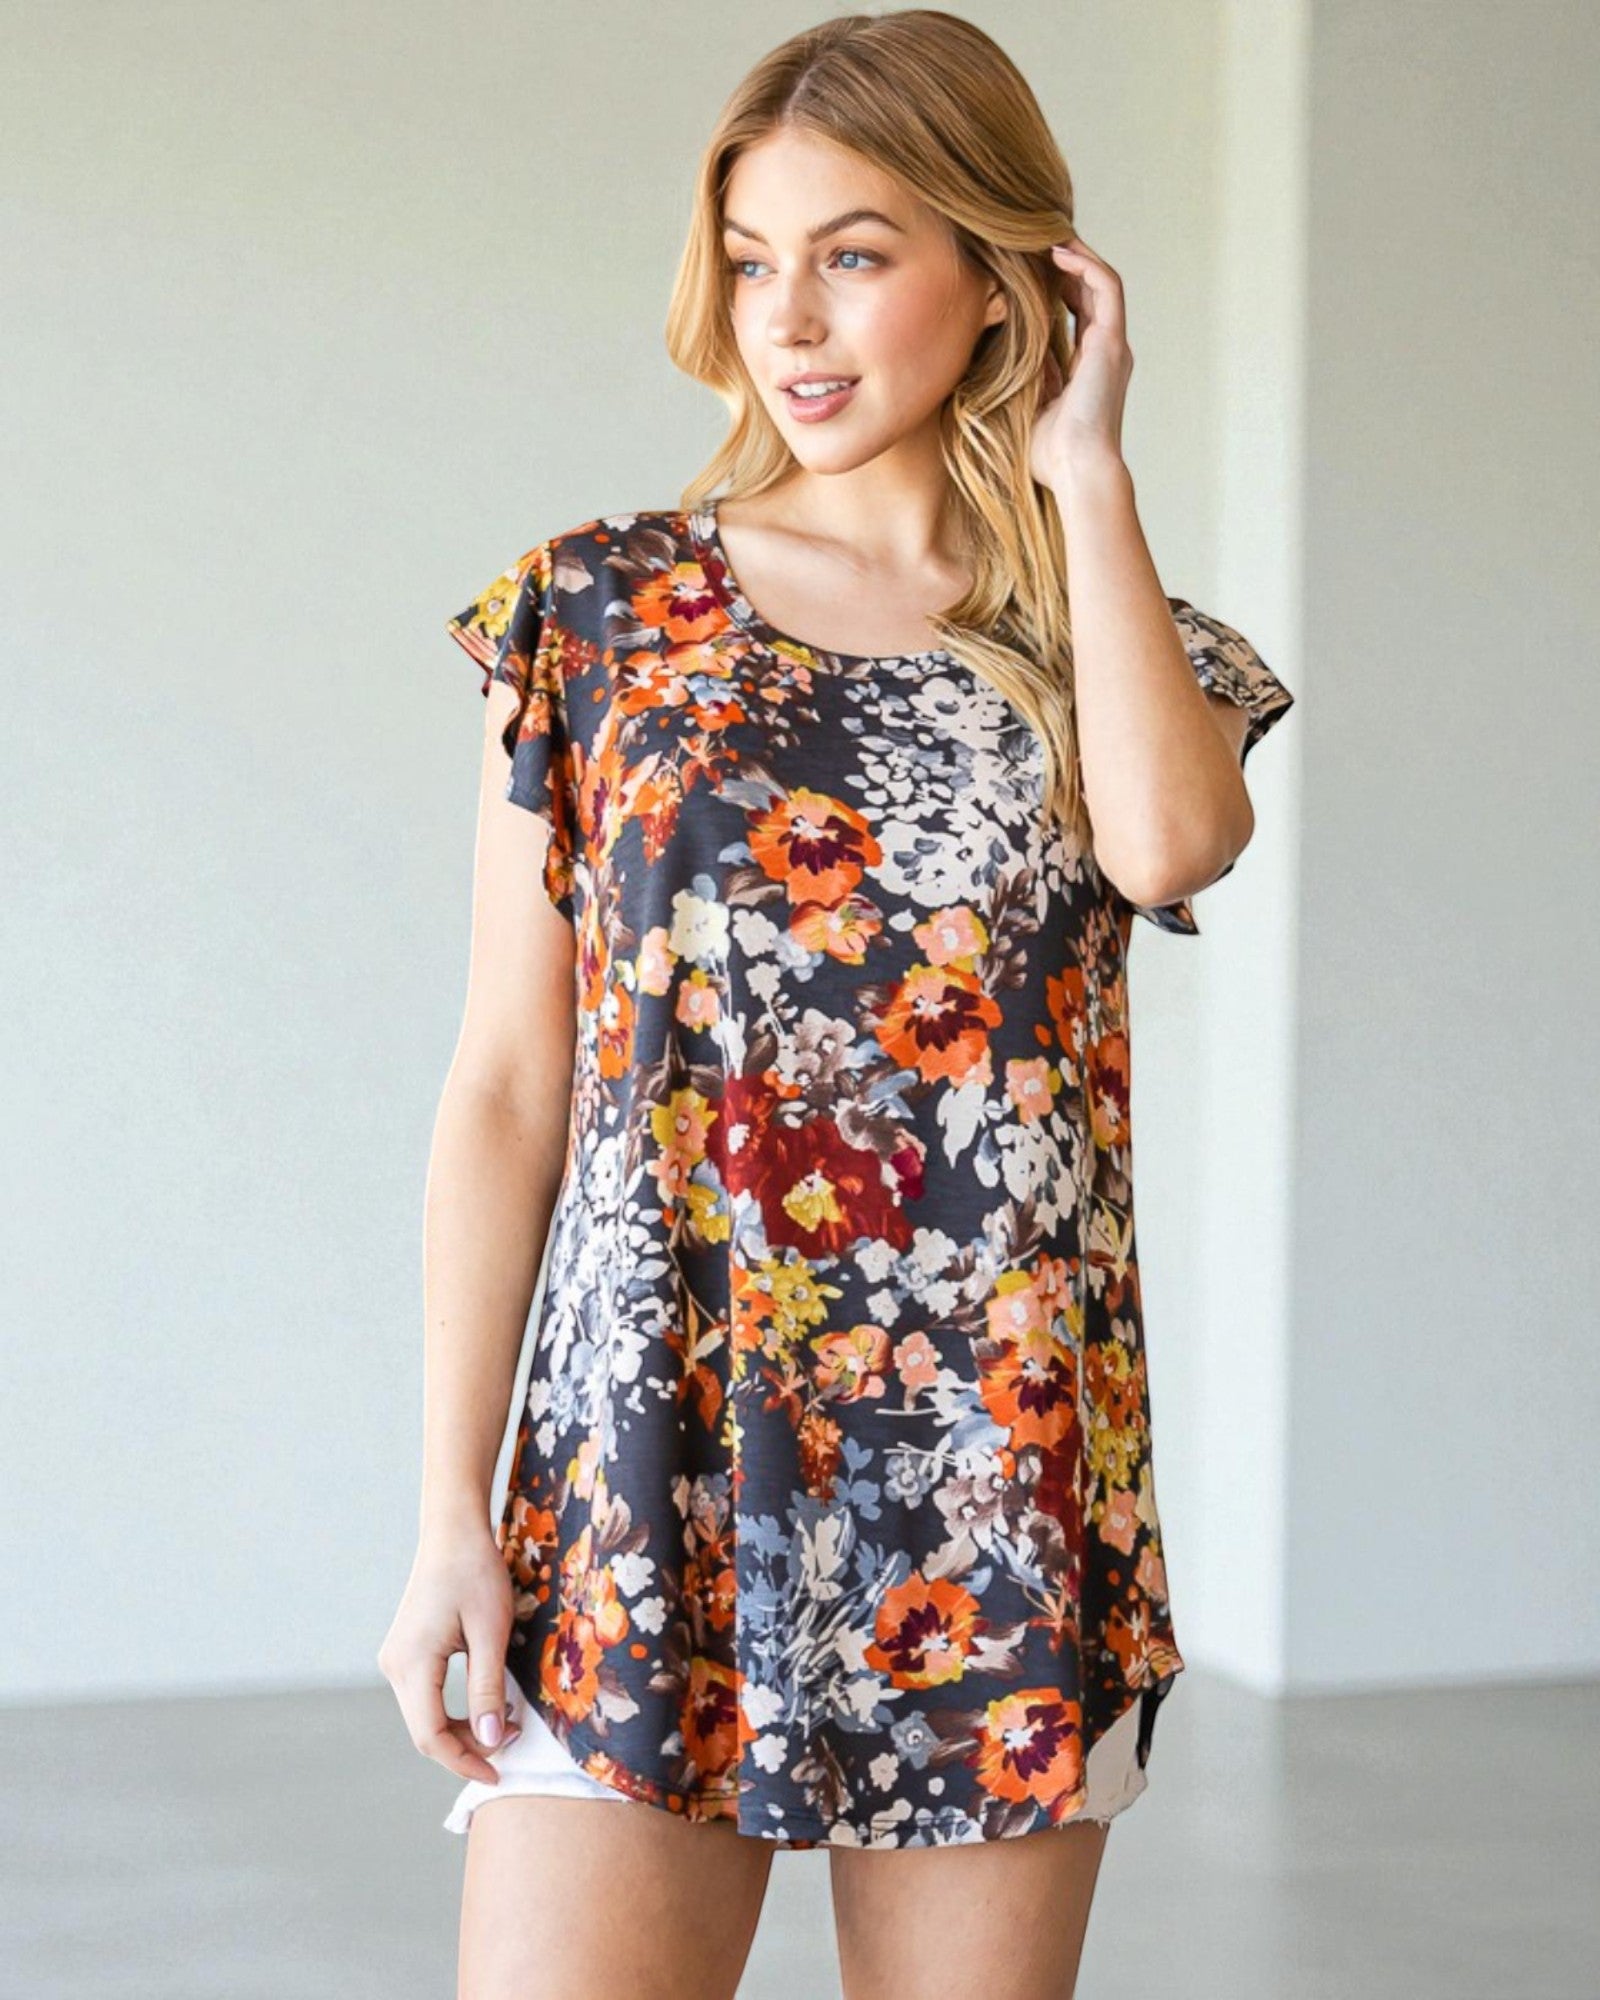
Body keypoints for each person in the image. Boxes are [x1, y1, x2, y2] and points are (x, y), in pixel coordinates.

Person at [378, 10, 1294, 1996]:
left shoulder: (1099, 635)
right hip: (647, 1464)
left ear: (1002, 278)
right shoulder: (591, 613)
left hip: (996, 1480)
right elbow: (507, 1088)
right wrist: (451, 1512)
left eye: (855, 253)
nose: (784, 319)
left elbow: (1165, 847)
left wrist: (1087, 476)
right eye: (748, 255)